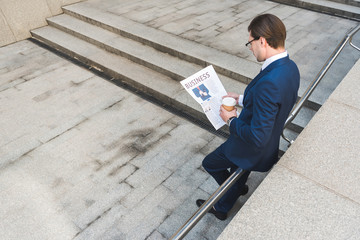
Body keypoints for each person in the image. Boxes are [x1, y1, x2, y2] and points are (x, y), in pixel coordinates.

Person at [196, 14, 300, 220]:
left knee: (210, 163)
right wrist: (242, 98)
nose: (250, 47)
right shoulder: (290, 67)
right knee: (238, 173)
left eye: (250, 42)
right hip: (270, 143)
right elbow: (274, 103)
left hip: (250, 148)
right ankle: (224, 206)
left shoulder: (270, 81)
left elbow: (257, 136)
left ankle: (233, 191)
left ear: (262, 40)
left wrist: (231, 119)